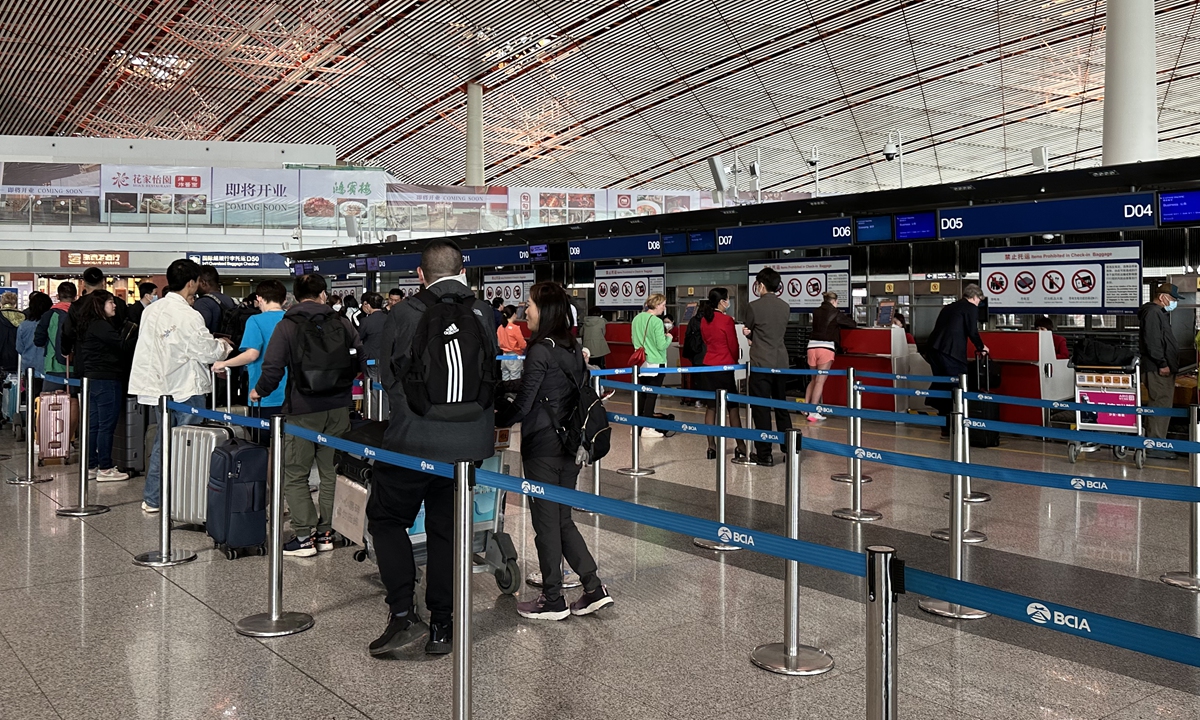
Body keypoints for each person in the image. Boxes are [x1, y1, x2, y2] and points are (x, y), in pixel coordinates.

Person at [368, 239, 498, 658]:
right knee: (447, 530)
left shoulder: (404, 312)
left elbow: (387, 376)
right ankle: (443, 623)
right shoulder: (484, 312)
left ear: (420, 275)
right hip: (468, 447)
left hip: (413, 440)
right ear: (464, 272)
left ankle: (403, 613)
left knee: (387, 519)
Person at [496, 282, 613, 620]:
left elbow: (524, 404)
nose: (525, 311)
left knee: (546, 524)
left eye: (530, 305)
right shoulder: (572, 346)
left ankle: (552, 598)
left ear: (544, 310)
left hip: (542, 447)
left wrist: (495, 418)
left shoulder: (539, 349)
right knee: (562, 520)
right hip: (570, 445)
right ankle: (593, 588)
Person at [252, 274, 362, 557]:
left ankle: (304, 537)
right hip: (339, 408)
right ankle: (327, 533)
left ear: (296, 296)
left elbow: (273, 367)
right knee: (332, 472)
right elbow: (359, 357)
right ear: (323, 294)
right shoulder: (342, 322)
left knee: (295, 473)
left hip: (302, 409)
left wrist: (259, 391)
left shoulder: (287, 325)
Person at [129, 259, 232, 513]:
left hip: (158, 387)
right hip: (185, 387)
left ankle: (153, 497)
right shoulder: (188, 314)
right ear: (191, 283)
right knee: (189, 446)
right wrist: (224, 347)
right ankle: (183, 500)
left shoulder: (151, 310)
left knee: (163, 442)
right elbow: (204, 350)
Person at [213, 280, 288, 444]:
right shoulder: (292, 319)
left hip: (263, 394)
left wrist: (224, 363)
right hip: (292, 394)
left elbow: (252, 354)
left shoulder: (255, 321)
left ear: (259, 299)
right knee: (289, 444)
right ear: (284, 300)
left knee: (265, 444)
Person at [76, 290, 137, 482]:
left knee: (93, 425)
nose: (114, 305)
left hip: (91, 379)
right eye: (111, 302)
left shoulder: (87, 325)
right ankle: (105, 467)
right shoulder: (102, 326)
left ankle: (91, 465)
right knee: (106, 426)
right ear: (100, 305)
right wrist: (139, 336)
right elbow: (123, 346)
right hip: (107, 379)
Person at [926, 284, 990, 431]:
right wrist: (981, 347)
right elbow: (972, 331)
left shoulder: (950, 307)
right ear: (975, 297)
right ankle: (956, 425)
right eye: (979, 300)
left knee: (942, 384)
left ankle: (945, 426)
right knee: (957, 386)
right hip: (950, 352)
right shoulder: (970, 307)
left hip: (934, 350)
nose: (978, 303)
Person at [744, 268, 791, 466]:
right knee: (782, 407)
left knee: (761, 409)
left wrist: (749, 335)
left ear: (761, 285)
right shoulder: (785, 306)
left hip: (761, 363)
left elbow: (750, 329)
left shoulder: (753, 306)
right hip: (780, 362)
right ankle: (789, 450)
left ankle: (765, 454)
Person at [696, 287, 747, 460]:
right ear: (721, 302)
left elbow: (705, 340)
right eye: (727, 299)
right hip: (724, 367)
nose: (728, 302)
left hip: (708, 366)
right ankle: (741, 446)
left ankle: (711, 447)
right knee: (732, 408)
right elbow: (733, 345)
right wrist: (735, 360)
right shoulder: (726, 320)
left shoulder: (705, 320)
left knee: (711, 407)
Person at [1138, 283, 1181, 458]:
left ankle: (1156, 441)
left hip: (1159, 367)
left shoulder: (1157, 313)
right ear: (1162, 297)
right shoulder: (1153, 313)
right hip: (1157, 368)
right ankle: (1155, 445)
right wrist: (1162, 363)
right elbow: (1153, 341)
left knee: (1161, 404)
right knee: (1160, 405)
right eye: (1172, 299)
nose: (1174, 303)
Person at [804, 291, 857, 422]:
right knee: (820, 381)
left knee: (813, 379)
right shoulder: (835, 313)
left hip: (811, 347)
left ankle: (805, 408)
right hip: (825, 348)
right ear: (834, 301)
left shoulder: (816, 311)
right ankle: (813, 412)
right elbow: (852, 324)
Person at [631, 294, 672, 437]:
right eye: (663, 305)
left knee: (642, 393)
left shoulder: (636, 318)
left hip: (642, 361)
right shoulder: (656, 321)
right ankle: (647, 428)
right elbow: (661, 345)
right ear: (656, 305)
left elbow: (633, 339)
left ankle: (636, 426)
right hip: (656, 361)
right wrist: (669, 338)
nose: (664, 308)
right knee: (652, 395)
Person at [34, 281, 77, 393]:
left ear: (58, 296)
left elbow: (38, 340)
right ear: (75, 297)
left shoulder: (49, 315)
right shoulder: (81, 314)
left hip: (54, 364)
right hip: (77, 366)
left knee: (51, 400)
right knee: (77, 399)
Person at [17, 292, 50, 397]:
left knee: (31, 399)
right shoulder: (51, 324)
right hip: (50, 369)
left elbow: (19, 348)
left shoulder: (23, 326)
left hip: (30, 368)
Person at [193, 265, 235, 336]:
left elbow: (198, 331)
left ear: (203, 283)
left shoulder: (202, 303)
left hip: (210, 342)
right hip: (229, 341)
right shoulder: (230, 300)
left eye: (196, 281)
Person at [498, 305, 527, 390]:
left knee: (505, 379)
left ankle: (505, 395)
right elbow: (523, 344)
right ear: (514, 314)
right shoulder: (515, 328)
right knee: (515, 381)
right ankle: (512, 396)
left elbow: (499, 343)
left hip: (504, 356)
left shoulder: (500, 328)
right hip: (514, 356)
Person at [357, 292, 388, 367]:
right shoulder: (389, 318)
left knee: (370, 373)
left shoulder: (365, 321)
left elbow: (358, 338)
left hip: (370, 359)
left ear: (368, 305)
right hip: (386, 358)